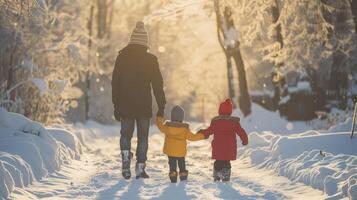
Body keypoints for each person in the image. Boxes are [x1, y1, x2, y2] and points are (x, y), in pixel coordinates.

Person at [111, 21, 166, 179]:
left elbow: (115, 83)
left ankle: (126, 165)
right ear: (145, 41)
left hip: (125, 105)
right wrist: (161, 105)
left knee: (125, 135)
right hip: (143, 106)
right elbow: (157, 85)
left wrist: (116, 105)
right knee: (143, 138)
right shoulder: (151, 60)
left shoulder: (122, 58)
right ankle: (140, 168)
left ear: (131, 39)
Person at [201, 98, 248, 182]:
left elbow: (209, 130)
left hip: (218, 148)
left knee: (218, 162)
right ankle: (226, 175)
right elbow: (241, 131)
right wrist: (244, 140)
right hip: (229, 148)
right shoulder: (234, 122)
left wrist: (202, 133)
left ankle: (217, 175)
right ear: (230, 111)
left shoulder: (216, 122)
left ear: (220, 110)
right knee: (226, 162)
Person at [156, 105, 205, 183]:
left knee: (172, 164)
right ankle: (183, 175)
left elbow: (160, 126)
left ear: (172, 116)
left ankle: (173, 176)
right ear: (182, 117)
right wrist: (203, 135)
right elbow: (193, 137)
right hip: (180, 152)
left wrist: (159, 117)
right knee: (182, 164)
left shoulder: (167, 127)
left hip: (170, 151)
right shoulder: (184, 129)